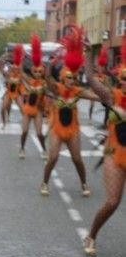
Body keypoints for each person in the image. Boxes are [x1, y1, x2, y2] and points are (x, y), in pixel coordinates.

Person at [40, 26, 98, 196]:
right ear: (63, 78)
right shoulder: (56, 89)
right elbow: (48, 79)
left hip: (72, 130)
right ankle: (44, 182)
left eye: (73, 78)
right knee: (53, 157)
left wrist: (105, 96)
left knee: (77, 159)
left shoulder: (78, 92)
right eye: (68, 78)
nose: (71, 80)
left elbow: (96, 96)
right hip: (57, 129)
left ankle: (84, 183)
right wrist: (49, 65)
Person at [82, 36, 126, 256]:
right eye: (125, 78)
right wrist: (89, 54)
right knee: (112, 202)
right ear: (120, 80)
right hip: (114, 155)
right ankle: (91, 235)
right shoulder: (111, 97)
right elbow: (90, 79)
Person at [19, 34, 47, 159]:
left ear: (43, 72)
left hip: (38, 110)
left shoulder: (45, 83)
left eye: (40, 71)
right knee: (24, 131)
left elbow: (48, 94)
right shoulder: (29, 80)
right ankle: (22, 149)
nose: (38, 73)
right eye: (35, 71)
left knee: (40, 133)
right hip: (27, 109)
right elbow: (20, 73)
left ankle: (44, 150)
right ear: (32, 71)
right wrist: (20, 59)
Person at [87, 46, 112, 127]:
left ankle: (106, 122)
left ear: (103, 68)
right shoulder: (94, 76)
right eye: (98, 67)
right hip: (94, 93)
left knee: (109, 107)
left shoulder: (106, 78)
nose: (100, 69)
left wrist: (104, 84)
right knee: (91, 105)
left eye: (101, 67)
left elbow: (109, 88)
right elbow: (90, 81)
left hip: (103, 95)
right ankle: (90, 118)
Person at [1, 45, 24, 128]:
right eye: (9, 51)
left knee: (22, 109)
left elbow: (21, 73)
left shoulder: (18, 62)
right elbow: (4, 73)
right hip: (9, 90)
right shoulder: (7, 63)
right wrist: (3, 63)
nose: (10, 53)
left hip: (17, 91)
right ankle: (4, 122)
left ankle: (24, 123)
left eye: (11, 51)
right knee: (4, 107)